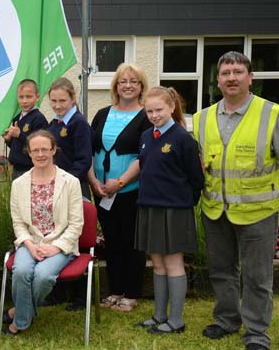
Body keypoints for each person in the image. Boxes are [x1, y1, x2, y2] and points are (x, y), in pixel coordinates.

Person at [194, 51, 279, 350]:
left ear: (250, 78)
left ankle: (257, 334)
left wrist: (265, 184)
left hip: (258, 212)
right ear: (217, 80)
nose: (231, 78)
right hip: (216, 209)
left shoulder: (272, 114)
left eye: (237, 72)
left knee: (257, 277)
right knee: (221, 271)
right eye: (225, 72)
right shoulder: (202, 118)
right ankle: (227, 320)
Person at [134, 87, 204, 334]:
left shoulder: (183, 139)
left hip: (175, 210)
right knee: (157, 264)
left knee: (174, 263)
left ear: (172, 107)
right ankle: (159, 315)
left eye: (159, 110)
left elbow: (196, 179)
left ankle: (176, 320)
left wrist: (183, 203)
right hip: (149, 207)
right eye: (149, 111)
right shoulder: (144, 137)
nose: (154, 115)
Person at [4, 130, 83, 335]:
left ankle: (19, 317)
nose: (40, 154)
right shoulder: (18, 184)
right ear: (29, 153)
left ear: (53, 150)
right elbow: (18, 222)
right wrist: (29, 245)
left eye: (45, 149)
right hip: (30, 242)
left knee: (43, 276)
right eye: (35, 150)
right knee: (21, 271)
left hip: (60, 244)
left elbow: (76, 224)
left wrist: (55, 248)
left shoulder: (70, 182)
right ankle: (23, 314)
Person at [88, 63, 153, 314]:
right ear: (116, 86)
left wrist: (120, 182)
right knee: (112, 242)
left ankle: (132, 293)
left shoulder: (146, 117)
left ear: (141, 87)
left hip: (129, 190)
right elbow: (90, 150)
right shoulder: (102, 114)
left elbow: (142, 156)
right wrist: (95, 182)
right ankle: (115, 291)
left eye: (134, 81)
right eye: (123, 81)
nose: (128, 85)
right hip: (102, 191)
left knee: (131, 242)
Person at [44, 77, 92, 309]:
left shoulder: (79, 124)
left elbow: (84, 161)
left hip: (74, 189)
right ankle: (58, 291)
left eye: (62, 100)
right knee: (57, 238)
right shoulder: (54, 124)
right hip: (55, 190)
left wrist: (65, 183)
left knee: (78, 241)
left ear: (73, 99)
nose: (57, 105)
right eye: (53, 100)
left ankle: (81, 297)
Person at [2, 78, 48, 179]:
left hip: (31, 168)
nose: (25, 101)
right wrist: (9, 140)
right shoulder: (17, 118)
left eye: (29, 97)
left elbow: (38, 145)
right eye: (21, 97)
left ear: (37, 97)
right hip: (16, 168)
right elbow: (17, 145)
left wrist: (19, 135)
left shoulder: (38, 118)